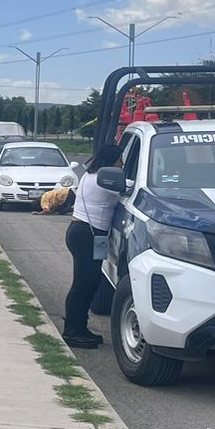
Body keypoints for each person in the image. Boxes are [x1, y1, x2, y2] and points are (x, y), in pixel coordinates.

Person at [62, 143, 123, 349]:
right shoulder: (103, 180)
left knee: (92, 282)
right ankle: (72, 331)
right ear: (110, 162)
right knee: (82, 284)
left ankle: (80, 327)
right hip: (86, 234)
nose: (122, 164)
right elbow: (130, 187)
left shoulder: (91, 176)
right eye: (120, 161)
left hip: (86, 233)